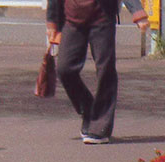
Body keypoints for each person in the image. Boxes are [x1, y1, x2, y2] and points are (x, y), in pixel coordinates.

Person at [45, 0, 149, 145]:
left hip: (102, 18)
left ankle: (100, 127)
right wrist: (52, 22)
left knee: (105, 69)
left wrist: (138, 13)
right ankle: (88, 110)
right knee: (65, 69)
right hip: (72, 19)